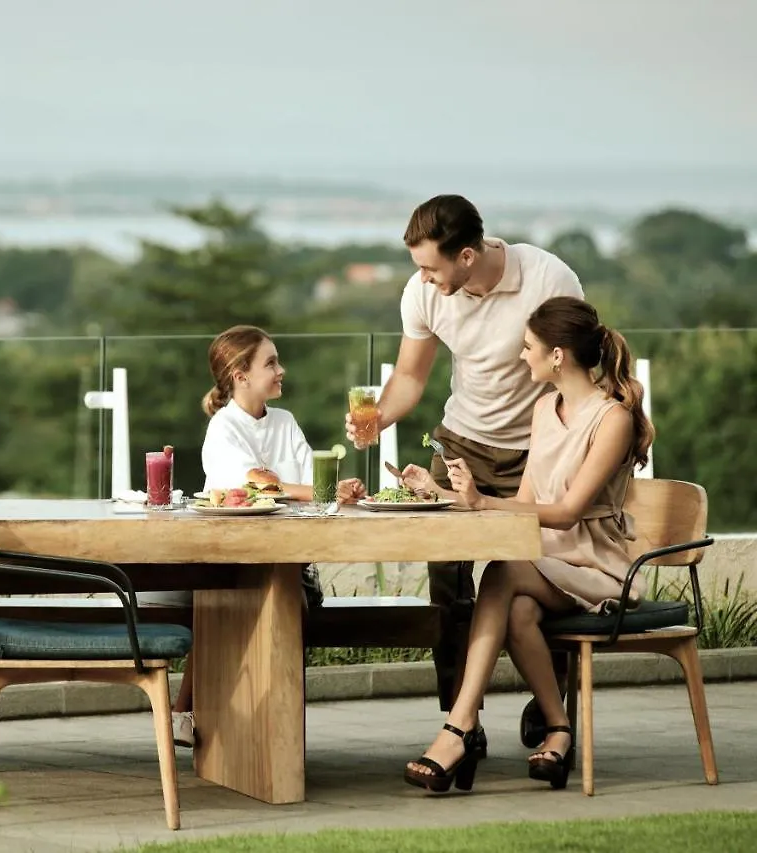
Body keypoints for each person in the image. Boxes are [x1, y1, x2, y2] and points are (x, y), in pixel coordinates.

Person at [345, 194, 585, 746]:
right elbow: (411, 376)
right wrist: (378, 418)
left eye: (432, 266)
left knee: (545, 576)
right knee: (448, 588)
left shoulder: (548, 278)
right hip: (460, 447)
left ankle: (551, 702)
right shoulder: (424, 293)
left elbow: (576, 371)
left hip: (537, 453)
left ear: (469, 255)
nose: (423, 279)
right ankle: (460, 718)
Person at [399, 296, 654, 792]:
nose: (522, 356)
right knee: (515, 610)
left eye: (528, 347)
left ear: (558, 355)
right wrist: (446, 494)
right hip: (547, 560)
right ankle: (558, 731)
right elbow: (525, 501)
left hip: (594, 563)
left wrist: (479, 502)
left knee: (500, 572)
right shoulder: (544, 407)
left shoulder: (612, 419)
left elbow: (565, 513)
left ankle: (459, 726)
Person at [152, 325, 319, 749]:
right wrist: (313, 490)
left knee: (283, 600)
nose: (281, 370)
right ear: (240, 375)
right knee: (232, 596)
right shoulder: (224, 428)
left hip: (287, 563)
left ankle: (255, 734)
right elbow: (255, 487)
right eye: (271, 363)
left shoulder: (285, 422)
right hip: (229, 561)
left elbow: (305, 485)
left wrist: (322, 490)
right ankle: (201, 716)